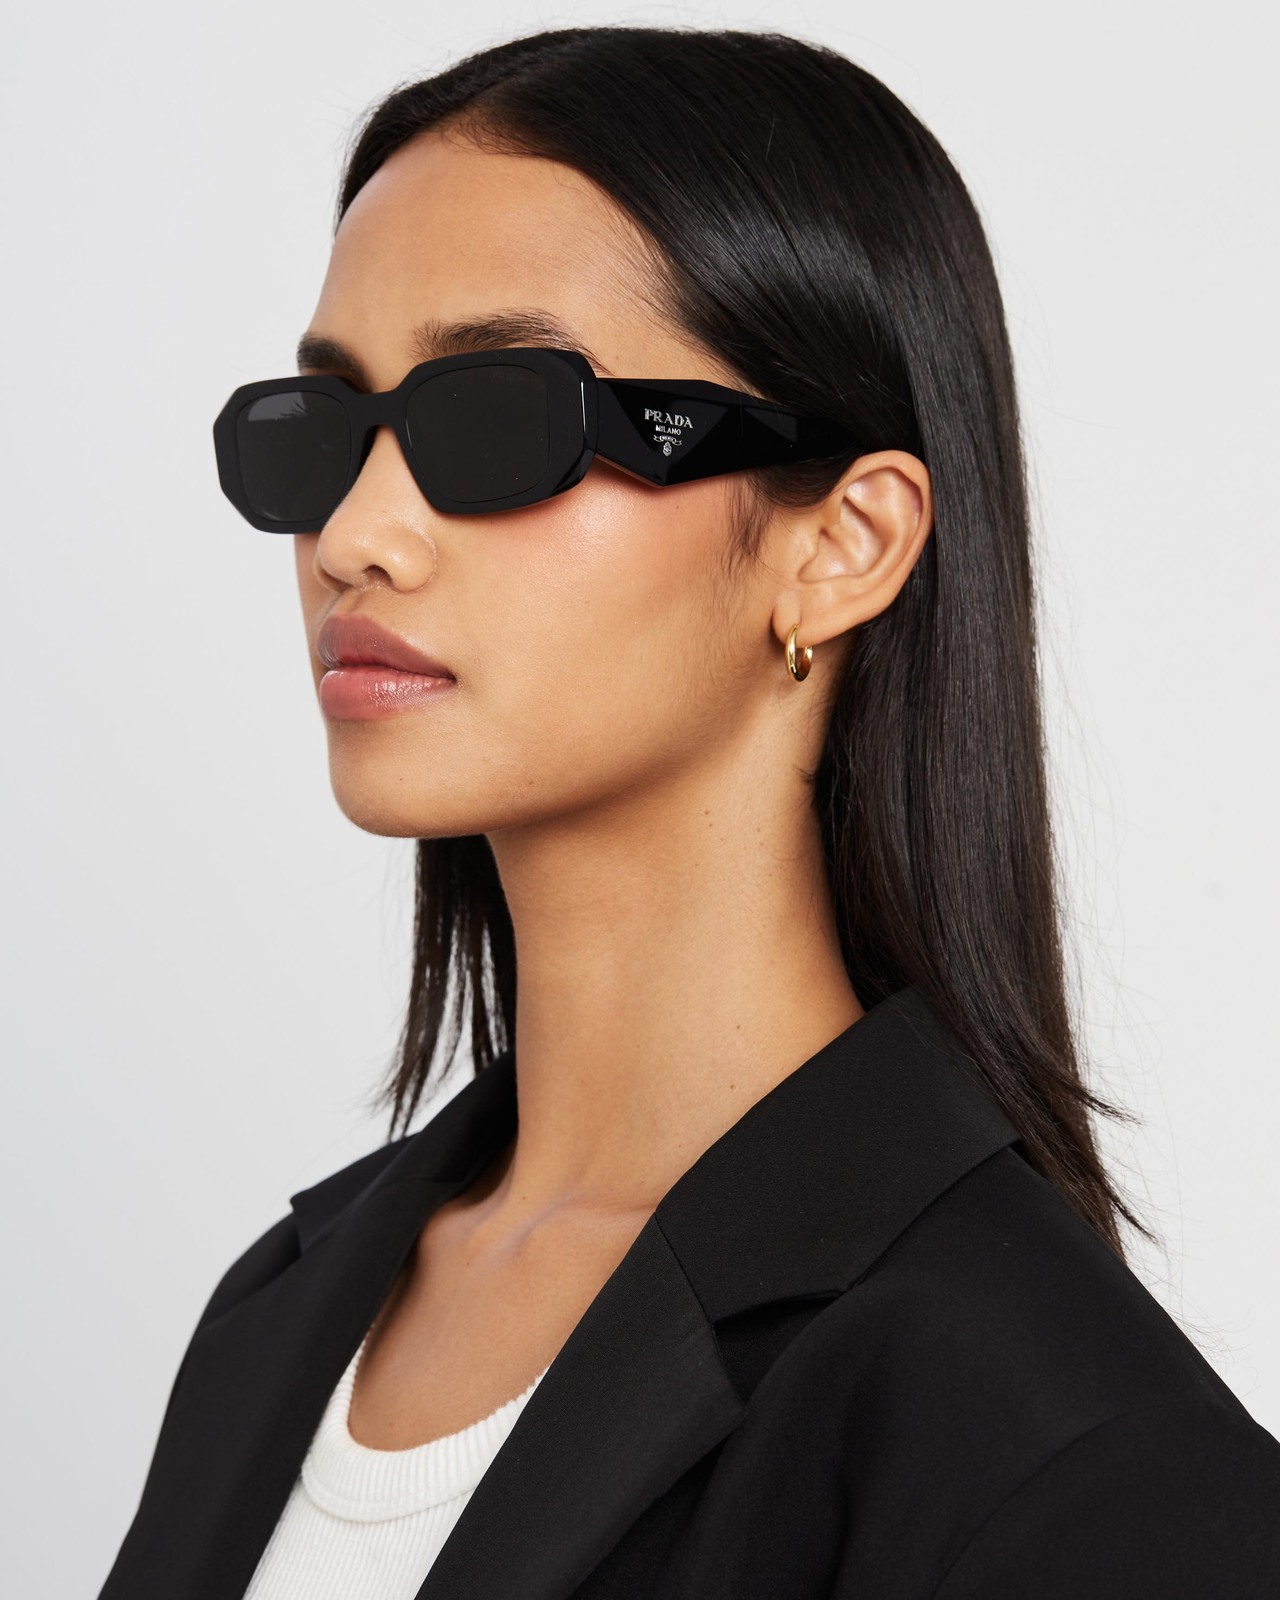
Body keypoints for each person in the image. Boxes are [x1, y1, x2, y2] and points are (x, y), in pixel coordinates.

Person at [98, 24, 1280, 1600]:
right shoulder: (283, 1314)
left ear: (842, 544)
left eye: (498, 423)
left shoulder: (1072, 1453)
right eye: (320, 434)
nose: (355, 537)